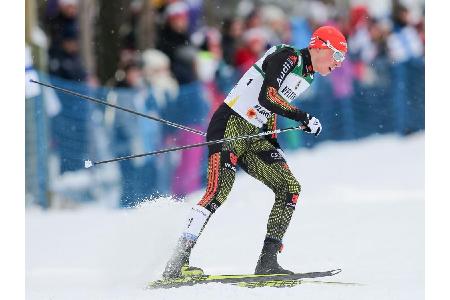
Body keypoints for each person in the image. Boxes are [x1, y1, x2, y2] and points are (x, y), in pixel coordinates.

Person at [162, 26, 348, 279]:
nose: (338, 63)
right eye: (336, 56)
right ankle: (176, 262)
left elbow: (270, 111)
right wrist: (303, 117)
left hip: (256, 135)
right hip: (230, 125)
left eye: (342, 59)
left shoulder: (309, 76)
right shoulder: (289, 56)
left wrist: (272, 142)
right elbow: (267, 96)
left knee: (289, 187)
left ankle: (268, 262)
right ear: (319, 46)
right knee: (218, 192)